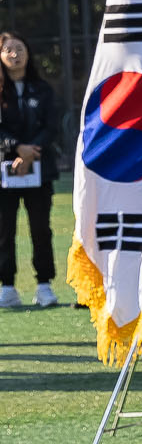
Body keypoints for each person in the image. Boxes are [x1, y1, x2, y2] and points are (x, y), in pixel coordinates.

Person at [0, 31, 61, 309]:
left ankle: (44, 285)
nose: (15, 54)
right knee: (4, 230)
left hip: (40, 171)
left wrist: (31, 150)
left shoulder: (43, 89)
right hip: (5, 173)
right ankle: (8, 287)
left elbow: (52, 126)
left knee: (40, 229)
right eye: (8, 50)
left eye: (19, 48)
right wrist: (16, 148)